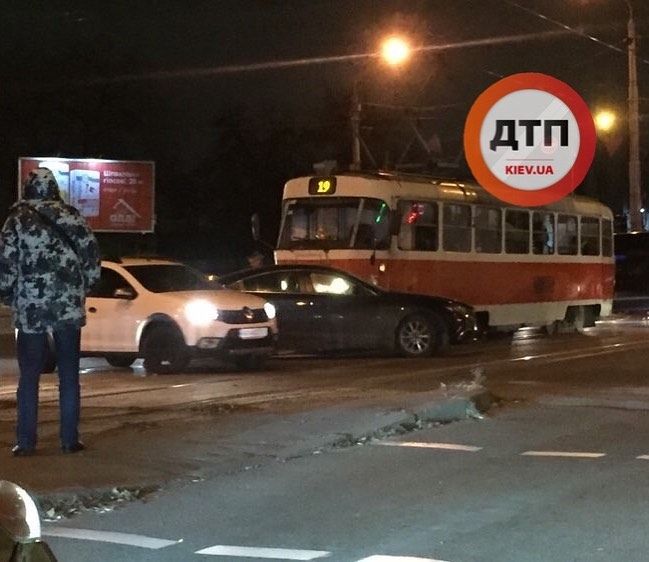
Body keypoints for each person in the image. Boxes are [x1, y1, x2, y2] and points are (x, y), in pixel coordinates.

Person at [0, 168, 100, 456]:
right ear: (55, 189)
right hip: (68, 309)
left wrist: (8, 294)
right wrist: (81, 291)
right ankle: (70, 440)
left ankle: (26, 442)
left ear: (28, 189)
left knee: (29, 376)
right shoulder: (74, 218)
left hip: (31, 310)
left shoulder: (16, 221)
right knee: (69, 375)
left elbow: (6, 265)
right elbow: (92, 262)